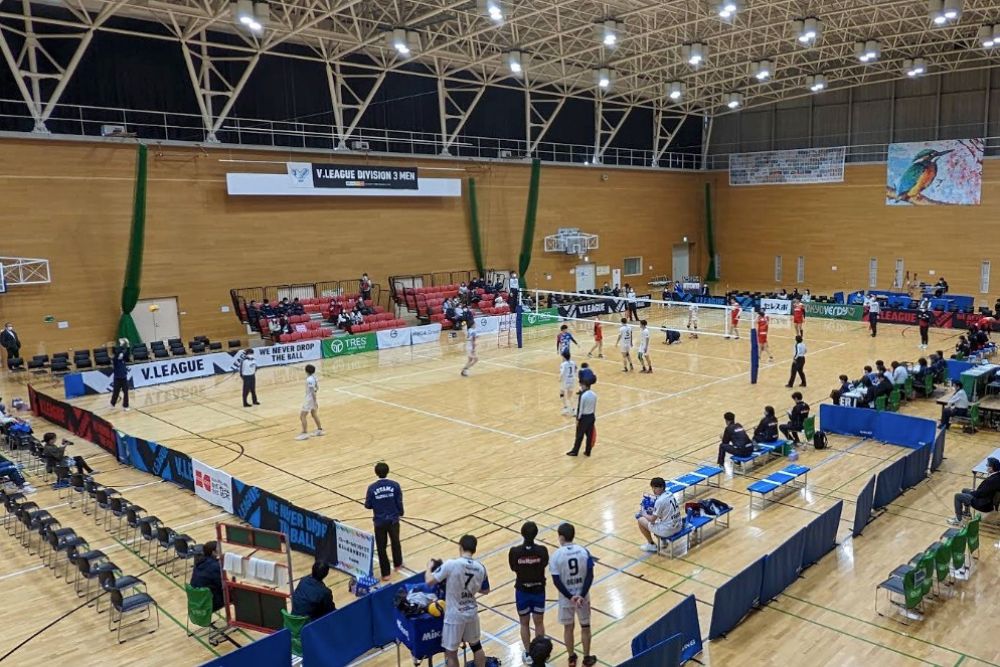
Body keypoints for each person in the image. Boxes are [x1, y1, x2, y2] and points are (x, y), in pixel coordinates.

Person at [426, 535, 491, 667]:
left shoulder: (451, 564)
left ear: (460, 547)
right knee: (476, 646)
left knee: (451, 653)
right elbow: (485, 590)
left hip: (454, 616)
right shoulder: (481, 568)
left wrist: (428, 568)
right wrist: (470, 588)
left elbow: (430, 581)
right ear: (474, 549)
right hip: (471, 613)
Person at [550, 522, 597, 667]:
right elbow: (590, 575)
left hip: (566, 599)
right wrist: (581, 595)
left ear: (561, 537)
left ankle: (571, 657)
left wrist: (570, 597)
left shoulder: (556, 555)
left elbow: (556, 581)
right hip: (583, 598)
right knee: (585, 627)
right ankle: (587, 658)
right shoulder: (584, 551)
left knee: (568, 628)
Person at [508, 521, 549, 662]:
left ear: (522, 533)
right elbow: (544, 564)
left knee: (524, 623)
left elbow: (513, 568)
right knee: (539, 622)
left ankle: (528, 653)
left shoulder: (515, 552)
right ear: (536, 534)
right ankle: (540, 653)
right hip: (538, 591)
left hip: (522, 592)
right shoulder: (542, 551)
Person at [365, 462, 405, 581]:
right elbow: (399, 501)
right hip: (393, 520)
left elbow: (368, 505)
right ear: (388, 471)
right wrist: (400, 512)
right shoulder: (395, 485)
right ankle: (398, 565)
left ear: (376, 473)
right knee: (395, 542)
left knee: (381, 547)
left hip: (379, 521)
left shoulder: (372, 488)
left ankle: (386, 573)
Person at [636, 477, 682, 552]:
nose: (653, 490)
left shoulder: (660, 501)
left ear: (662, 487)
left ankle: (651, 544)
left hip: (669, 530)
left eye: (655, 488)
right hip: (678, 525)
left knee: (640, 520)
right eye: (652, 488)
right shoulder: (670, 494)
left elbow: (652, 520)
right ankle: (663, 541)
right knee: (658, 521)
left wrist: (642, 513)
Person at [949, 457, 1000, 525]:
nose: (986, 466)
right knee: (964, 490)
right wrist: (972, 492)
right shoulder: (997, 476)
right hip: (987, 500)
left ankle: (958, 520)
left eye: (987, 465)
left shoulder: (990, 481)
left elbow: (980, 493)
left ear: (991, 468)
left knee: (957, 496)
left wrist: (972, 492)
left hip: (982, 504)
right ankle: (967, 513)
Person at [190, 540, 224, 612]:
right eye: (219, 549)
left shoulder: (199, 562)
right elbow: (221, 584)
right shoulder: (215, 566)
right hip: (207, 602)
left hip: (194, 600)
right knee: (235, 595)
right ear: (213, 552)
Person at [567, 380, 596, 457]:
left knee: (579, 435)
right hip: (591, 416)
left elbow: (580, 408)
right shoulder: (594, 394)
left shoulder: (583, 396)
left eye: (582, 385)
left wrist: (578, 419)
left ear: (585, 386)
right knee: (589, 435)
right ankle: (588, 451)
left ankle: (575, 451)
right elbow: (594, 407)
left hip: (584, 417)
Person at [296, 365, 323, 441]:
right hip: (312, 399)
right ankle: (319, 430)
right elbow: (317, 388)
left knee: (302, 416)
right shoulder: (314, 378)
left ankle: (304, 434)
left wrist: (314, 401)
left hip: (309, 400)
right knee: (314, 414)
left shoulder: (309, 380)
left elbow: (312, 391)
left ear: (306, 371)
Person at [109, 338, 131, 411]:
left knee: (126, 392)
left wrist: (128, 345)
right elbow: (117, 353)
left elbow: (127, 354)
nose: (121, 355)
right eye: (120, 354)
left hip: (124, 378)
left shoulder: (124, 359)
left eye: (122, 354)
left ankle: (126, 406)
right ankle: (112, 404)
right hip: (117, 378)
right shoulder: (115, 360)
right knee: (116, 392)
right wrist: (121, 345)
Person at [559, 351, 578, 415]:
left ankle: (565, 408)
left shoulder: (563, 364)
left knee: (562, 393)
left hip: (565, 381)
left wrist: (560, 378)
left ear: (564, 357)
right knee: (570, 396)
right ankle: (574, 410)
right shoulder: (573, 362)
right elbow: (576, 370)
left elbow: (562, 372)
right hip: (572, 380)